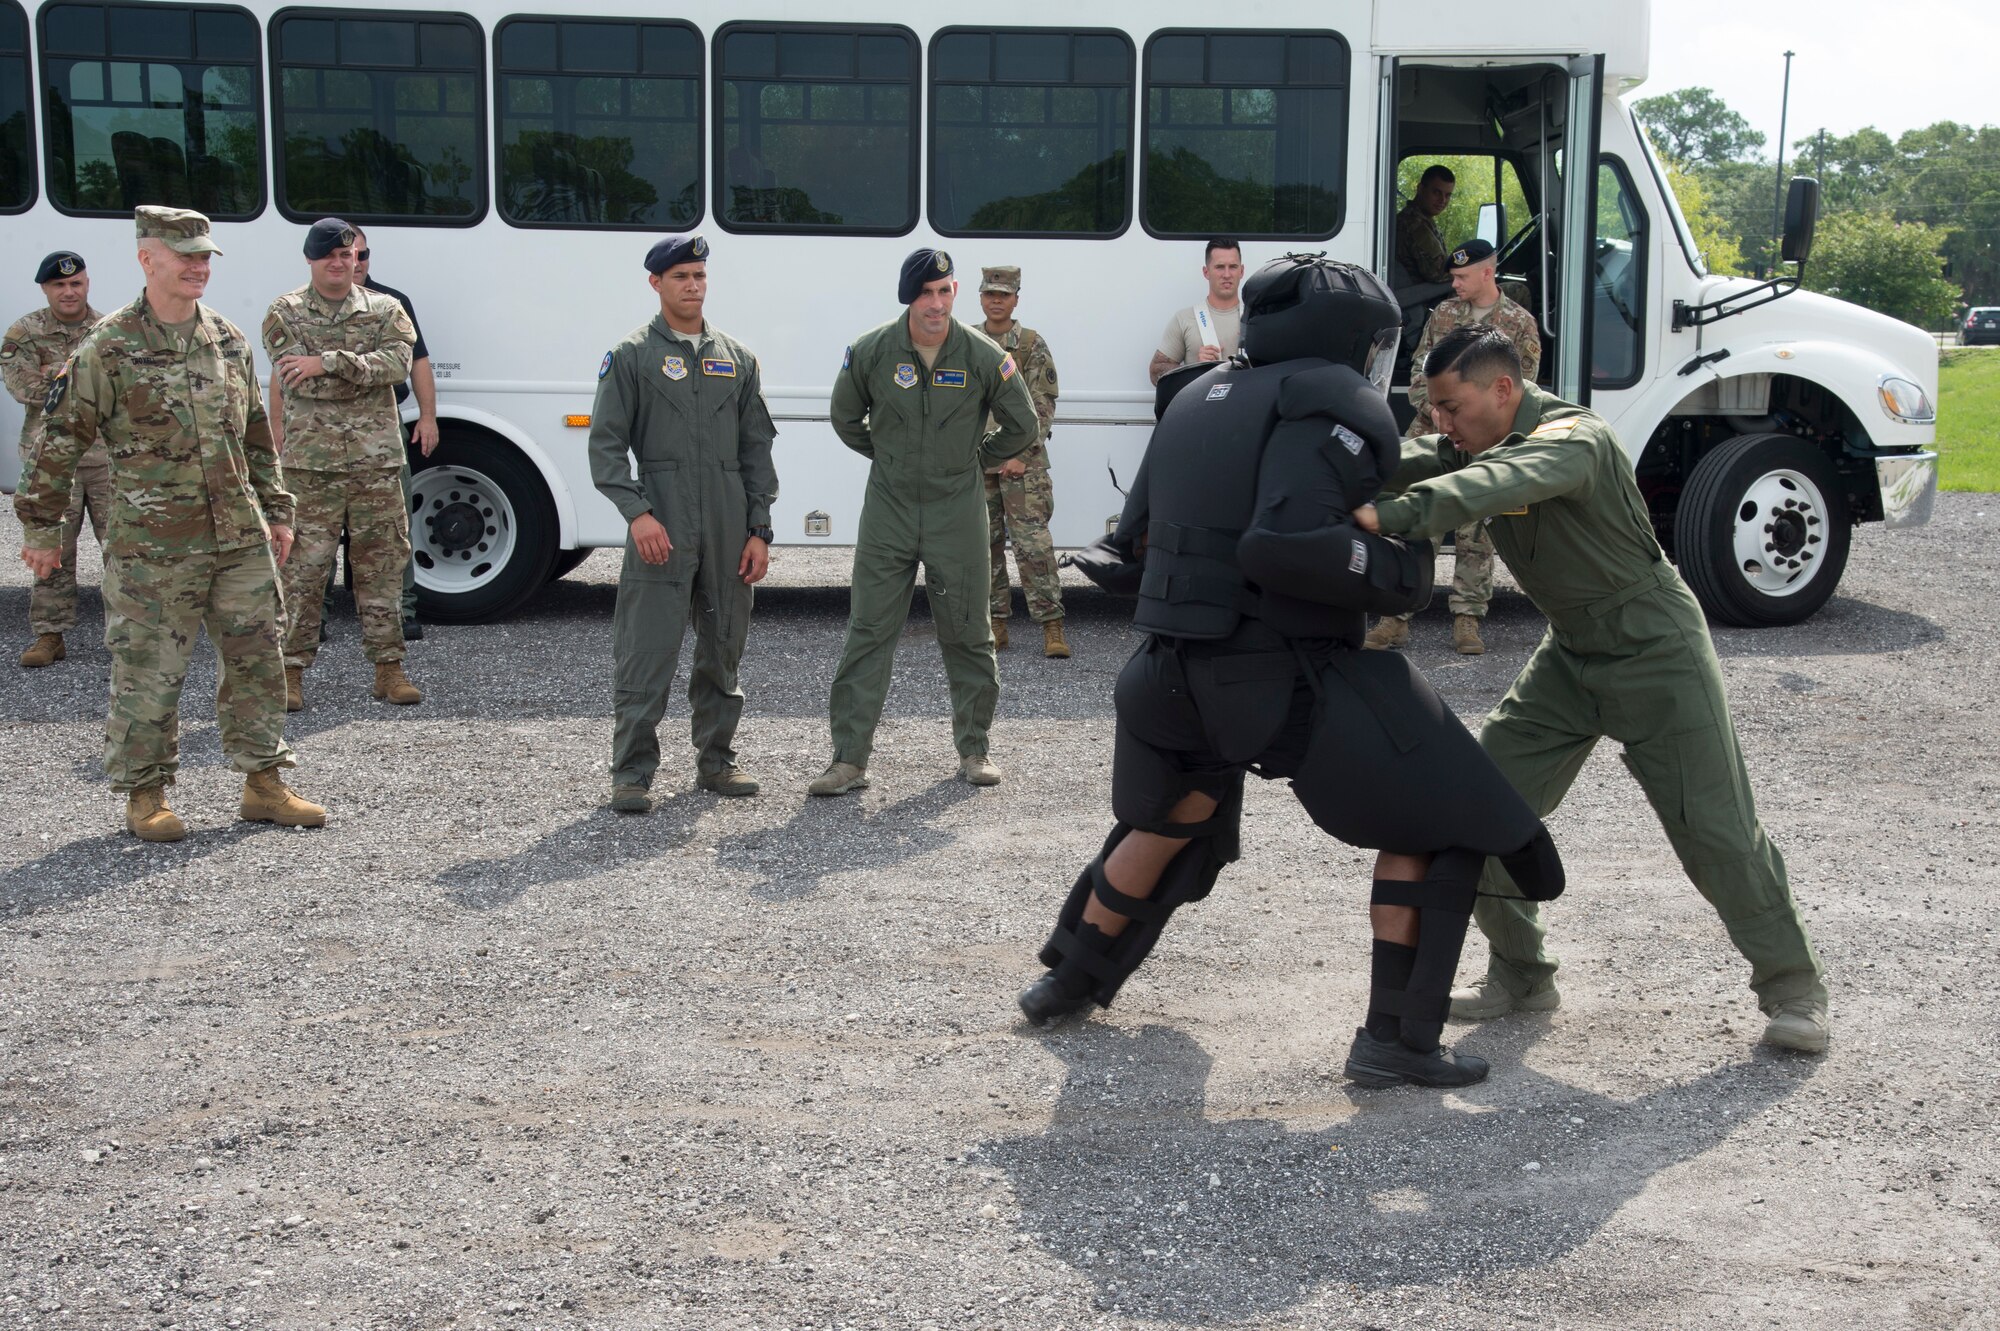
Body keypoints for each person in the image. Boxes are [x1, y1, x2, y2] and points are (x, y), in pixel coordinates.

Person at [1018, 257, 1564, 1089]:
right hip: (1275, 674)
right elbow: (1284, 546)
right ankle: (1399, 1040)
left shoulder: (1198, 395)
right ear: (1347, 340)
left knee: (1173, 817)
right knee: (1444, 816)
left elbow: (1122, 551)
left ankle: (1068, 976)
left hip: (1163, 672)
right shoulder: (1334, 400)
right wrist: (1404, 573)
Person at [1356, 325, 1829, 1053]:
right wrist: (1337, 470)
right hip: (1572, 650)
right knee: (1478, 812)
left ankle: (1794, 990)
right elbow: (1419, 458)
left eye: (1451, 407)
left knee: (1715, 830)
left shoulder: (1573, 437)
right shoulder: (1476, 440)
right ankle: (1522, 973)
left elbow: (1498, 481)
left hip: (1654, 647)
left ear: (1503, 390)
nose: (1442, 424)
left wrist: (1392, 516)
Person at [14, 206, 324, 841]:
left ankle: (263, 782)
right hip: (155, 546)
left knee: (256, 658)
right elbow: (59, 443)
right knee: (150, 666)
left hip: (238, 536)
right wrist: (43, 530)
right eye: (183, 254)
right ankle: (145, 792)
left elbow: (257, 440)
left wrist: (280, 511)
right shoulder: (109, 347)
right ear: (145, 258)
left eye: (205, 255)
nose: (197, 266)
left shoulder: (229, 340)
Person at [810, 248, 1038, 795]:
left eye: (945, 291)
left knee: (967, 630)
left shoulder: (983, 354)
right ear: (908, 297)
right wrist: (889, 455)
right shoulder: (871, 351)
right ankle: (848, 760)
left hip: (956, 510)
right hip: (888, 509)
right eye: (925, 293)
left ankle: (975, 749)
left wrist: (968, 459)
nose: (936, 304)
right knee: (868, 631)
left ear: (954, 292)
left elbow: (1023, 423)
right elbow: (845, 417)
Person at [589, 234, 778, 810]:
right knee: (646, 650)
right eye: (680, 277)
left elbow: (755, 449)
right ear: (656, 283)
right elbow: (606, 446)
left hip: (726, 520)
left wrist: (758, 528)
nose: (692, 286)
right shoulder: (632, 356)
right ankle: (632, 774)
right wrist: (638, 514)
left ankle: (717, 763)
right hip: (663, 520)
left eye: (699, 276)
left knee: (723, 647)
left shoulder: (736, 358)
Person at [263, 218, 422, 711]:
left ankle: (388, 669)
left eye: (347, 253)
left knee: (382, 566)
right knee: (304, 573)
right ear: (310, 259)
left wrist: (328, 361)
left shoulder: (387, 308)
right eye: (327, 254)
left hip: (375, 464)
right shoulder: (284, 312)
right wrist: (359, 367)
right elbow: (296, 381)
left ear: (357, 258)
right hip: (311, 466)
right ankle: (290, 671)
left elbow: (398, 367)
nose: (338, 261)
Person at [1366, 239, 1542, 656]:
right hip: (1432, 432)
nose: (1455, 284)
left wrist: (1473, 420)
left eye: (1462, 276)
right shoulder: (1444, 314)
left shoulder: (1519, 323)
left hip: (1485, 441)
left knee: (1476, 527)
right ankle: (1395, 617)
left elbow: (1520, 388)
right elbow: (1418, 370)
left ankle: (1467, 619)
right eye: (1453, 277)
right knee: (1413, 520)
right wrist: (1440, 411)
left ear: (1487, 272)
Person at [5, 251, 107, 668]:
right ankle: (50, 635)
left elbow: (119, 389)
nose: (69, 292)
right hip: (51, 462)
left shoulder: (107, 330)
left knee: (123, 551)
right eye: (59, 285)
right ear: (46, 288)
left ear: (86, 284)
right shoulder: (24, 332)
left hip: (104, 459)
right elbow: (22, 386)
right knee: (51, 551)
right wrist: (73, 376)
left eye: (76, 283)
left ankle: (131, 638)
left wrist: (57, 372)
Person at [977, 265, 1068, 659]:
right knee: (984, 545)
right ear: (981, 297)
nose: (996, 300)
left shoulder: (1031, 344)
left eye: (1004, 294)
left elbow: (1043, 406)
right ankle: (995, 624)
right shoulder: (966, 342)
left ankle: (1052, 627)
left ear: (1016, 298)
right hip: (977, 465)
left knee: (1034, 548)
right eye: (990, 293)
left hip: (1023, 467)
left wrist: (1020, 454)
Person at [1148, 239, 1245, 385]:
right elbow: (1155, 372)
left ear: (1241, 271)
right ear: (1206, 272)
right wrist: (1194, 368)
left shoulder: (1256, 318)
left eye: (1232, 267)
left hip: (1245, 405)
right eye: (1219, 267)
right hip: (1201, 406)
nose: (1226, 274)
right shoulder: (1185, 318)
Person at [1395, 165, 1456, 286]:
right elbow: (1439, 272)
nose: (1442, 200)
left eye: (1447, 195)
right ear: (1420, 189)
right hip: (1422, 297)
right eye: (1437, 192)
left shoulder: (1421, 219)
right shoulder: (1415, 225)